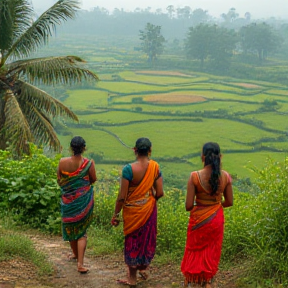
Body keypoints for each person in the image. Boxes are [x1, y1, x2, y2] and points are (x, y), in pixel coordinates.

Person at [111, 137, 164, 287]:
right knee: (145, 240)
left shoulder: (128, 169)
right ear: (150, 151)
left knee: (132, 241)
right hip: (148, 209)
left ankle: (132, 279)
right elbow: (159, 192)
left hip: (132, 212)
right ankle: (144, 269)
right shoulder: (155, 167)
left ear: (135, 150)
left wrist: (115, 214)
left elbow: (122, 197)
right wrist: (147, 199)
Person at [181, 142, 233, 288]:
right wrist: (215, 206)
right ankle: (208, 280)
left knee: (194, 248)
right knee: (212, 249)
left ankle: (193, 280)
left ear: (203, 157)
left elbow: (188, 206)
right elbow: (229, 202)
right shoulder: (226, 177)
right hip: (216, 217)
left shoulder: (194, 176)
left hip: (198, 219)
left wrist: (202, 205)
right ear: (220, 157)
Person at [57, 136, 97, 274]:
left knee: (71, 227)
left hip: (68, 200)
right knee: (81, 232)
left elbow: (59, 180)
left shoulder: (62, 162)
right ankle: (80, 263)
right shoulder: (88, 164)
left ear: (71, 147)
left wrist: (70, 188)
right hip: (82, 201)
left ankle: (75, 254)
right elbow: (93, 180)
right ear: (84, 148)